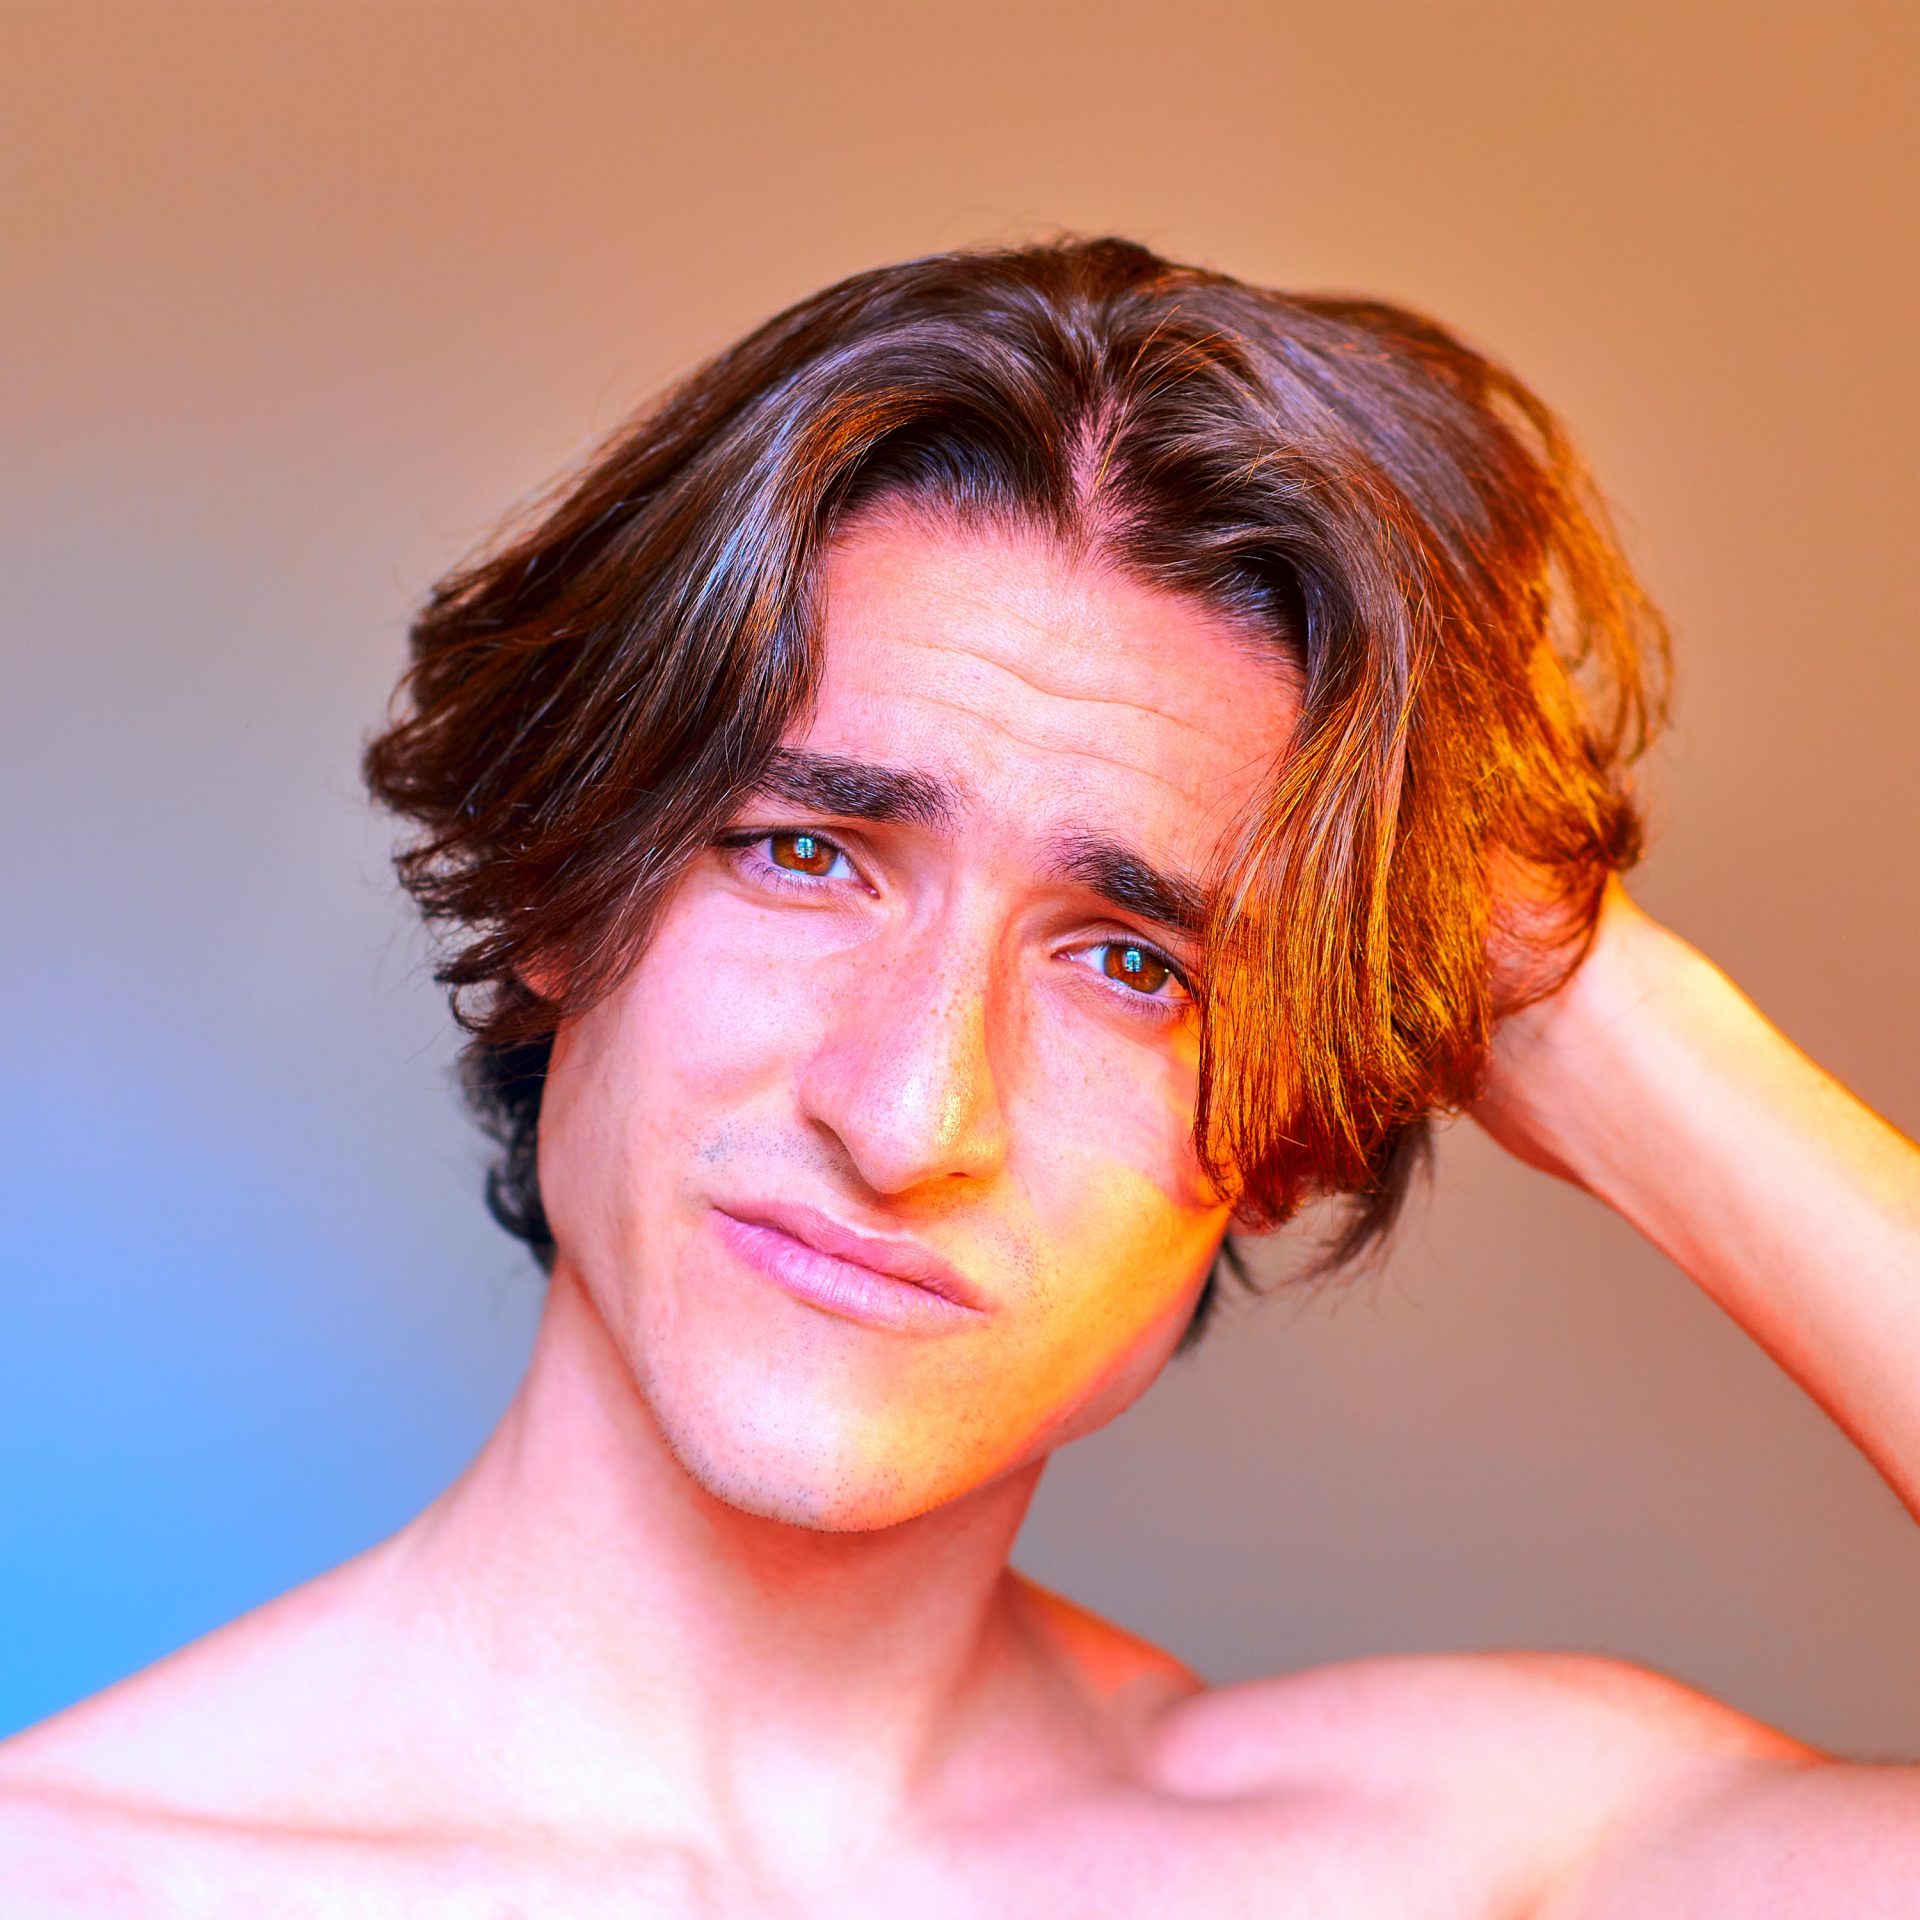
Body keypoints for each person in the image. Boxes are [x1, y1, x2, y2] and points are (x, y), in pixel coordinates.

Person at [1, 236, 1914, 1915]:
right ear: (562, 890)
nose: (911, 1114)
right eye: (804, 854)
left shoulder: (1495, 1866)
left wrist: (1577, 1002)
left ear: (1288, 1131)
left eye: (1134, 962)